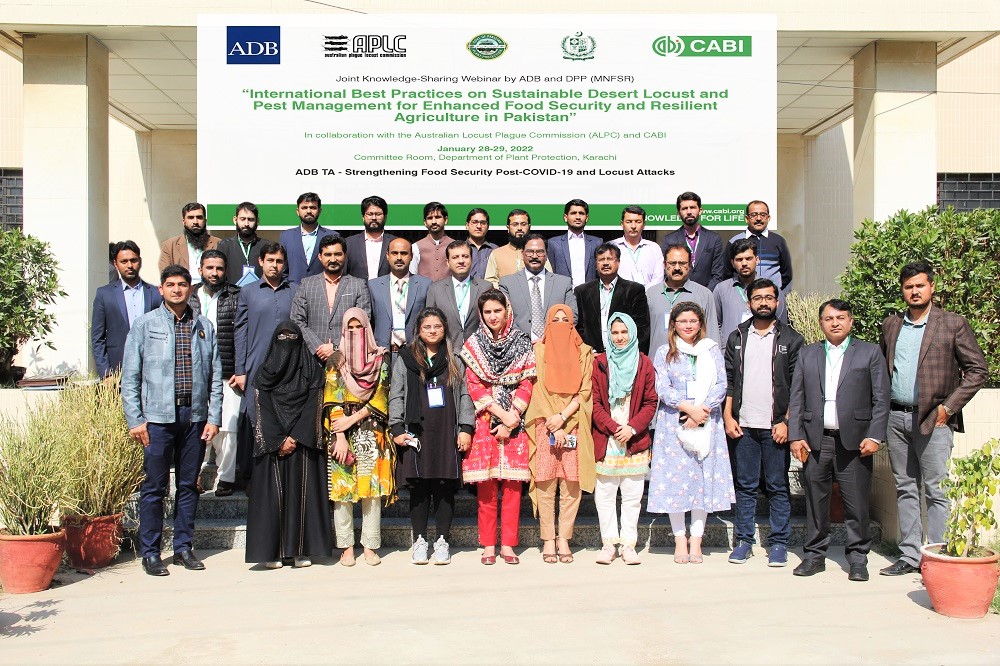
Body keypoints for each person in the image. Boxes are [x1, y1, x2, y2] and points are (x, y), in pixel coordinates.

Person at [878, 260, 989, 576]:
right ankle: (911, 556)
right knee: (905, 488)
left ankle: (938, 559)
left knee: (937, 491)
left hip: (934, 420)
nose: (914, 291)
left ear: (932, 287)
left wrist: (949, 408)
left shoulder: (952, 324)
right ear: (903, 290)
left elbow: (978, 369)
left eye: (920, 285)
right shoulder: (891, 325)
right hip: (896, 418)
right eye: (909, 286)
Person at [122, 264, 222, 577]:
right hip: (157, 419)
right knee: (154, 487)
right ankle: (151, 552)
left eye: (182, 284)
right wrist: (136, 419)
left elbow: (216, 376)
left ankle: (182, 548)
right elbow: (131, 376)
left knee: (189, 486)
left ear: (190, 289)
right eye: (171, 284)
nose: (177, 289)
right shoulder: (145, 324)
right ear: (162, 289)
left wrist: (214, 416)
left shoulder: (203, 326)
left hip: (194, 418)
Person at [789, 299, 890, 581]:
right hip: (815, 440)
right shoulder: (809, 354)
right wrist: (795, 435)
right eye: (829, 318)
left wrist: (875, 435)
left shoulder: (869, 353)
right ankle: (814, 556)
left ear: (851, 321)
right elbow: (796, 399)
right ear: (821, 323)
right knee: (815, 502)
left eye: (841, 317)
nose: (835, 323)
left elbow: (881, 399)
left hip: (855, 442)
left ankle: (858, 559)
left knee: (856, 504)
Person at [724, 278, 804, 567]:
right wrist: (728, 415)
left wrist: (786, 422)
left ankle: (779, 543)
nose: (763, 303)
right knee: (745, 486)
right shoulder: (737, 337)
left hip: (775, 427)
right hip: (743, 425)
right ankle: (744, 541)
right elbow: (730, 381)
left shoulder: (791, 339)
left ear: (777, 302)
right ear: (749, 303)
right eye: (757, 298)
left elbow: (798, 387)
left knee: (777, 486)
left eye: (769, 298)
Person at [648, 303, 734, 564]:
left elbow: (722, 383)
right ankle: (679, 539)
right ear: (673, 324)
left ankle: (697, 538)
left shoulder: (710, 350)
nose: (688, 325)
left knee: (701, 480)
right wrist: (688, 409)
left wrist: (702, 411)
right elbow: (661, 386)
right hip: (674, 422)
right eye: (682, 321)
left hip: (708, 421)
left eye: (693, 321)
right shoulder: (665, 352)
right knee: (676, 481)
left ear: (701, 324)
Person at [389, 307, 474, 565]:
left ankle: (442, 541)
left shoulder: (455, 358)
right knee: (420, 488)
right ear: (419, 330)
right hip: (416, 431)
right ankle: (419, 541)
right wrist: (396, 427)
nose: (433, 331)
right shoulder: (405, 358)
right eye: (427, 327)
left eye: (437, 326)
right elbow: (397, 393)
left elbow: (464, 395)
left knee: (444, 487)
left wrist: (465, 428)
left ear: (444, 328)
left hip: (447, 430)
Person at [245, 320, 333, 569]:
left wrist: (295, 437)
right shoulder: (264, 374)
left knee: (301, 497)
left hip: (302, 445)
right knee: (274, 499)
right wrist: (278, 440)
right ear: (274, 342)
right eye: (281, 340)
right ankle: (272, 553)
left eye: (291, 339)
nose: (287, 346)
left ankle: (300, 551)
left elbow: (313, 408)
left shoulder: (312, 371)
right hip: (274, 448)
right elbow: (262, 410)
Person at [459, 288, 536, 565]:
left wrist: (512, 415)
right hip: (485, 421)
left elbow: (527, 382)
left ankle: (509, 545)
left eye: (497, 310)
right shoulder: (473, 344)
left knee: (514, 487)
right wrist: (500, 414)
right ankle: (489, 544)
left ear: (508, 311)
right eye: (488, 312)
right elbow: (474, 385)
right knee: (487, 487)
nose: (493, 316)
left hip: (516, 421)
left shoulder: (522, 343)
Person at [324, 308, 395, 567]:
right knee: (343, 490)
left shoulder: (381, 360)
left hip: (372, 430)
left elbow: (381, 396)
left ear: (367, 328)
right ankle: (345, 546)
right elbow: (332, 397)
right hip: (340, 431)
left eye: (359, 327)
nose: (355, 332)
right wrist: (340, 434)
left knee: (372, 490)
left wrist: (353, 419)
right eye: (349, 328)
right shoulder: (335, 361)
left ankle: (369, 545)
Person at [525, 305, 595, 564]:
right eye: (555, 320)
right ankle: (548, 539)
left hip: (574, 422)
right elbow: (536, 389)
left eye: (566, 320)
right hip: (544, 424)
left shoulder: (584, 352)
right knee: (544, 481)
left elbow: (585, 391)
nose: (561, 324)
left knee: (571, 484)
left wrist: (564, 419)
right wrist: (552, 422)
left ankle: (564, 538)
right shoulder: (538, 351)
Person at [591, 313, 658, 565]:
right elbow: (595, 403)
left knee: (632, 496)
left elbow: (651, 402)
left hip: (634, 439)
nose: (619, 337)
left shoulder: (644, 363)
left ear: (631, 333)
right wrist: (612, 427)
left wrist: (631, 427)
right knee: (605, 495)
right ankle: (609, 543)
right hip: (607, 439)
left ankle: (628, 544)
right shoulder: (599, 363)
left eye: (623, 332)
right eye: (615, 333)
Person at [233, 242, 296, 489]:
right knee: (254, 418)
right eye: (270, 260)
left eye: (279, 261)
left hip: (289, 369)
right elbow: (240, 332)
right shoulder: (247, 292)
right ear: (261, 262)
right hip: (256, 365)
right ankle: (253, 479)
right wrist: (240, 370)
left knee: (284, 417)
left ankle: (283, 475)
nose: (275, 265)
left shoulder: (294, 290)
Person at [192, 250, 242, 497]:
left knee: (228, 428)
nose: (214, 273)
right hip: (193, 373)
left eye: (219, 268)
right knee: (195, 426)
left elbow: (243, 335)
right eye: (209, 268)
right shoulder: (189, 296)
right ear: (201, 269)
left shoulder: (236, 296)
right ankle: (193, 476)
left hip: (228, 371)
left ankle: (226, 478)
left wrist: (241, 369)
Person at [291, 234, 372, 365]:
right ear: (320, 257)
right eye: (328, 255)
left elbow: (363, 320)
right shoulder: (306, 284)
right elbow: (297, 319)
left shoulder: (358, 285)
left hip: (346, 359)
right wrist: (318, 347)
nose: (333, 259)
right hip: (313, 358)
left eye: (337, 254)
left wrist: (336, 346)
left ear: (345, 256)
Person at [92, 240, 163, 378]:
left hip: (152, 370)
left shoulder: (155, 294)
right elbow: (97, 338)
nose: (129, 265)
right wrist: (106, 374)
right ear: (115, 264)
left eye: (133, 260)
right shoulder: (104, 295)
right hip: (117, 370)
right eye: (124, 261)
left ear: (140, 261)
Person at [573, 243, 650, 355]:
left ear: (618, 262)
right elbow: (579, 327)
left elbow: (642, 328)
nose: (605, 263)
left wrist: (626, 352)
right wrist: (589, 351)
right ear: (596, 264)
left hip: (624, 355)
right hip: (592, 356)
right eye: (601, 259)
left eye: (610, 259)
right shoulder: (582, 291)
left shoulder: (634, 290)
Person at [499, 233, 577, 343]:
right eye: (530, 252)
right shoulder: (507, 283)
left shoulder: (563, 283)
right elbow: (504, 317)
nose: (534, 256)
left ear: (546, 255)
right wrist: (523, 342)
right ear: (523, 254)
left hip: (554, 345)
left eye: (539, 252)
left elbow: (572, 316)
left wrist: (547, 339)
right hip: (518, 348)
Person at [647, 243, 719, 355]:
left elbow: (712, 336)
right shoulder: (651, 294)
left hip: (693, 366)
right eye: (672, 263)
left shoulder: (704, 294)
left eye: (682, 263)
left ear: (690, 265)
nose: (676, 268)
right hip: (657, 365)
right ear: (665, 264)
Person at [714, 237, 787, 342]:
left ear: (757, 260)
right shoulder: (721, 289)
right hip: (730, 353)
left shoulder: (771, 289)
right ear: (732, 263)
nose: (744, 263)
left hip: (764, 351)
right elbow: (716, 324)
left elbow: (781, 324)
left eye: (748, 258)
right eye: (739, 259)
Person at [426, 240, 491, 349]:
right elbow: (429, 322)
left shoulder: (485, 287)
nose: (461, 261)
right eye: (455, 257)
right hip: (446, 352)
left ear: (471, 259)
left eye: (465, 256)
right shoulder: (435, 289)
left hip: (478, 352)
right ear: (447, 262)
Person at [368, 238, 430, 353]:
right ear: (387, 256)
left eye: (404, 253)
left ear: (411, 256)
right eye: (394, 253)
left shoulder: (425, 284)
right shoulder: (373, 286)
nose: (399, 258)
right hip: (382, 352)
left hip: (415, 352)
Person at [660, 192, 727, 290]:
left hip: (706, 296)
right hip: (678, 295)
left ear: (700, 210)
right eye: (684, 208)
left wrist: (704, 295)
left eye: (692, 207)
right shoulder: (669, 239)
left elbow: (718, 274)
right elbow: (666, 272)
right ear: (678, 213)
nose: (689, 212)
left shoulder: (714, 239)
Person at [728, 200, 793, 294]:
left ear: (768, 218)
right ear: (746, 218)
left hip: (771, 298)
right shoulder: (734, 241)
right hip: (742, 296)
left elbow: (786, 274)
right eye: (754, 215)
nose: (758, 218)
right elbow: (727, 273)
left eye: (763, 215)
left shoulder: (779, 241)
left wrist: (775, 292)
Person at [483, 209, 550, 287]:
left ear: (529, 227)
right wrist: (503, 295)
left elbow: (548, 277)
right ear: (508, 228)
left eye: (523, 224)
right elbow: (490, 281)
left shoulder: (538, 253)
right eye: (515, 224)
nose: (519, 228)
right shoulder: (497, 254)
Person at [279, 192, 336, 283]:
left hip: (323, 291)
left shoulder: (332, 236)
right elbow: (282, 269)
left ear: (319, 211)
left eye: (313, 207)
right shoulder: (286, 236)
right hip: (293, 291)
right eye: (304, 208)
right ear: (297, 211)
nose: (308, 211)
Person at [158, 202, 221, 283]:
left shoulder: (219, 243)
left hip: (211, 289)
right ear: (184, 221)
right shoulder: (169, 246)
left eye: (199, 217)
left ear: (205, 220)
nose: (195, 221)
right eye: (191, 217)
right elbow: (165, 275)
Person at [546, 199, 602, 287]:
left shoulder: (597, 242)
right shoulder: (553, 243)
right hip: (562, 295)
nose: (578, 217)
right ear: (565, 217)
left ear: (587, 218)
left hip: (589, 295)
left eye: (581, 213)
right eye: (573, 213)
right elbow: (550, 273)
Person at [345, 195, 397, 281]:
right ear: (363, 217)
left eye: (378, 214)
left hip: (387, 292)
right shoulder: (349, 243)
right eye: (369, 214)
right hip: (357, 293)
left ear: (385, 217)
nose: (374, 218)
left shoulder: (394, 242)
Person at [612, 205, 665, 287]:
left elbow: (658, 277)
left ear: (644, 224)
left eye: (638, 221)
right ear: (622, 224)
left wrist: (642, 294)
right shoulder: (612, 247)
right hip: (620, 297)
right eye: (629, 222)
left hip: (649, 297)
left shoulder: (654, 248)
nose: (633, 226)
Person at [217, 202, 265, 286]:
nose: (246, 224)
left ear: (257, 221)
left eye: (250, 219)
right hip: (231, 295)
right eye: (243, 219)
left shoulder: (266, 246)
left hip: (259, 295)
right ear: (235, 220)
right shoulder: (224, 246)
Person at [410, 201, 455, 282]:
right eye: (430, 218)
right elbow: (412, 276)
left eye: (437, 217)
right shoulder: (416, 247)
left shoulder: (455, 246)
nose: (434, 222)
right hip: (424, 293)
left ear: (446, 220)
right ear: (425, 222)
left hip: (449, 293)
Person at [465, 207, 498, 280]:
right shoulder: (459, 249)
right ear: (467, 225)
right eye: (474, 222)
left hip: (489, 290)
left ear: (488, 226)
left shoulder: (495, 250)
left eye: (483, 223)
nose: (479, 226)